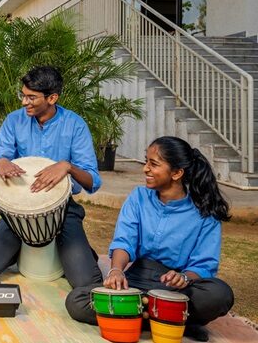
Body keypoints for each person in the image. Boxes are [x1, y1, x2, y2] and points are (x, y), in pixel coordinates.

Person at [66, 136, 234, 342]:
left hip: (177, 288)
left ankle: (135, 314)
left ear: (176, 173)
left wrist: (184, 278)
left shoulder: (205, 211)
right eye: (146, 161)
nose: (145, 169)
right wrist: (117, 270)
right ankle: (173, 320)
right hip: (137, 281)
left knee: (219, 294)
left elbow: (204, 265)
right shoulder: (138, 197)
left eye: (153, 164)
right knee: (77, 300)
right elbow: (124, 241)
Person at [0, 66, 103, 290]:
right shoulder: (14, 121)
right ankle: (16, 250)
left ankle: (77, 251)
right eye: (23, 95)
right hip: (17, 213)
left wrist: (67, 167)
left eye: (31, 97)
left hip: (62, 210)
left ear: (52, 98)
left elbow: (92, 181)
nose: (24, 102)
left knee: (85, 282)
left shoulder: (75, 124)